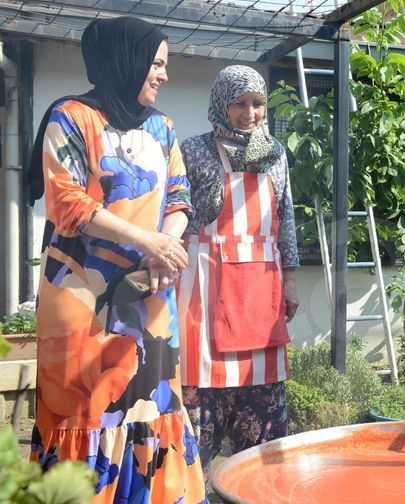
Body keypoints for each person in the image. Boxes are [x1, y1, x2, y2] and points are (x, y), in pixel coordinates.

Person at [28, 17, 207, 502]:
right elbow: (66, 204)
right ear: (125, 62)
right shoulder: (70, 117)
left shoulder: (164, 127)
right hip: (81, 296)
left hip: (149, 295)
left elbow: (180, 198)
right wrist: (151, 244)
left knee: (150, 406)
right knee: (84, 411)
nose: (164, 75)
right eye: (157, 63)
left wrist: (164, 253)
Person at [177, 65, 299, 479]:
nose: (251, 113)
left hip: (259, 286)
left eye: (258, 103)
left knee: (261, 401)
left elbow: (286, 216)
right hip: (204, 284)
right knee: (198, 401)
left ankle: (256, 487)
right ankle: (195, 484)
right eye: (240, 104)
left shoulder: (277, 154)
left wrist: (292, 282)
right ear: (221, 105)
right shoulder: (192, 150)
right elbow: (176, 214)